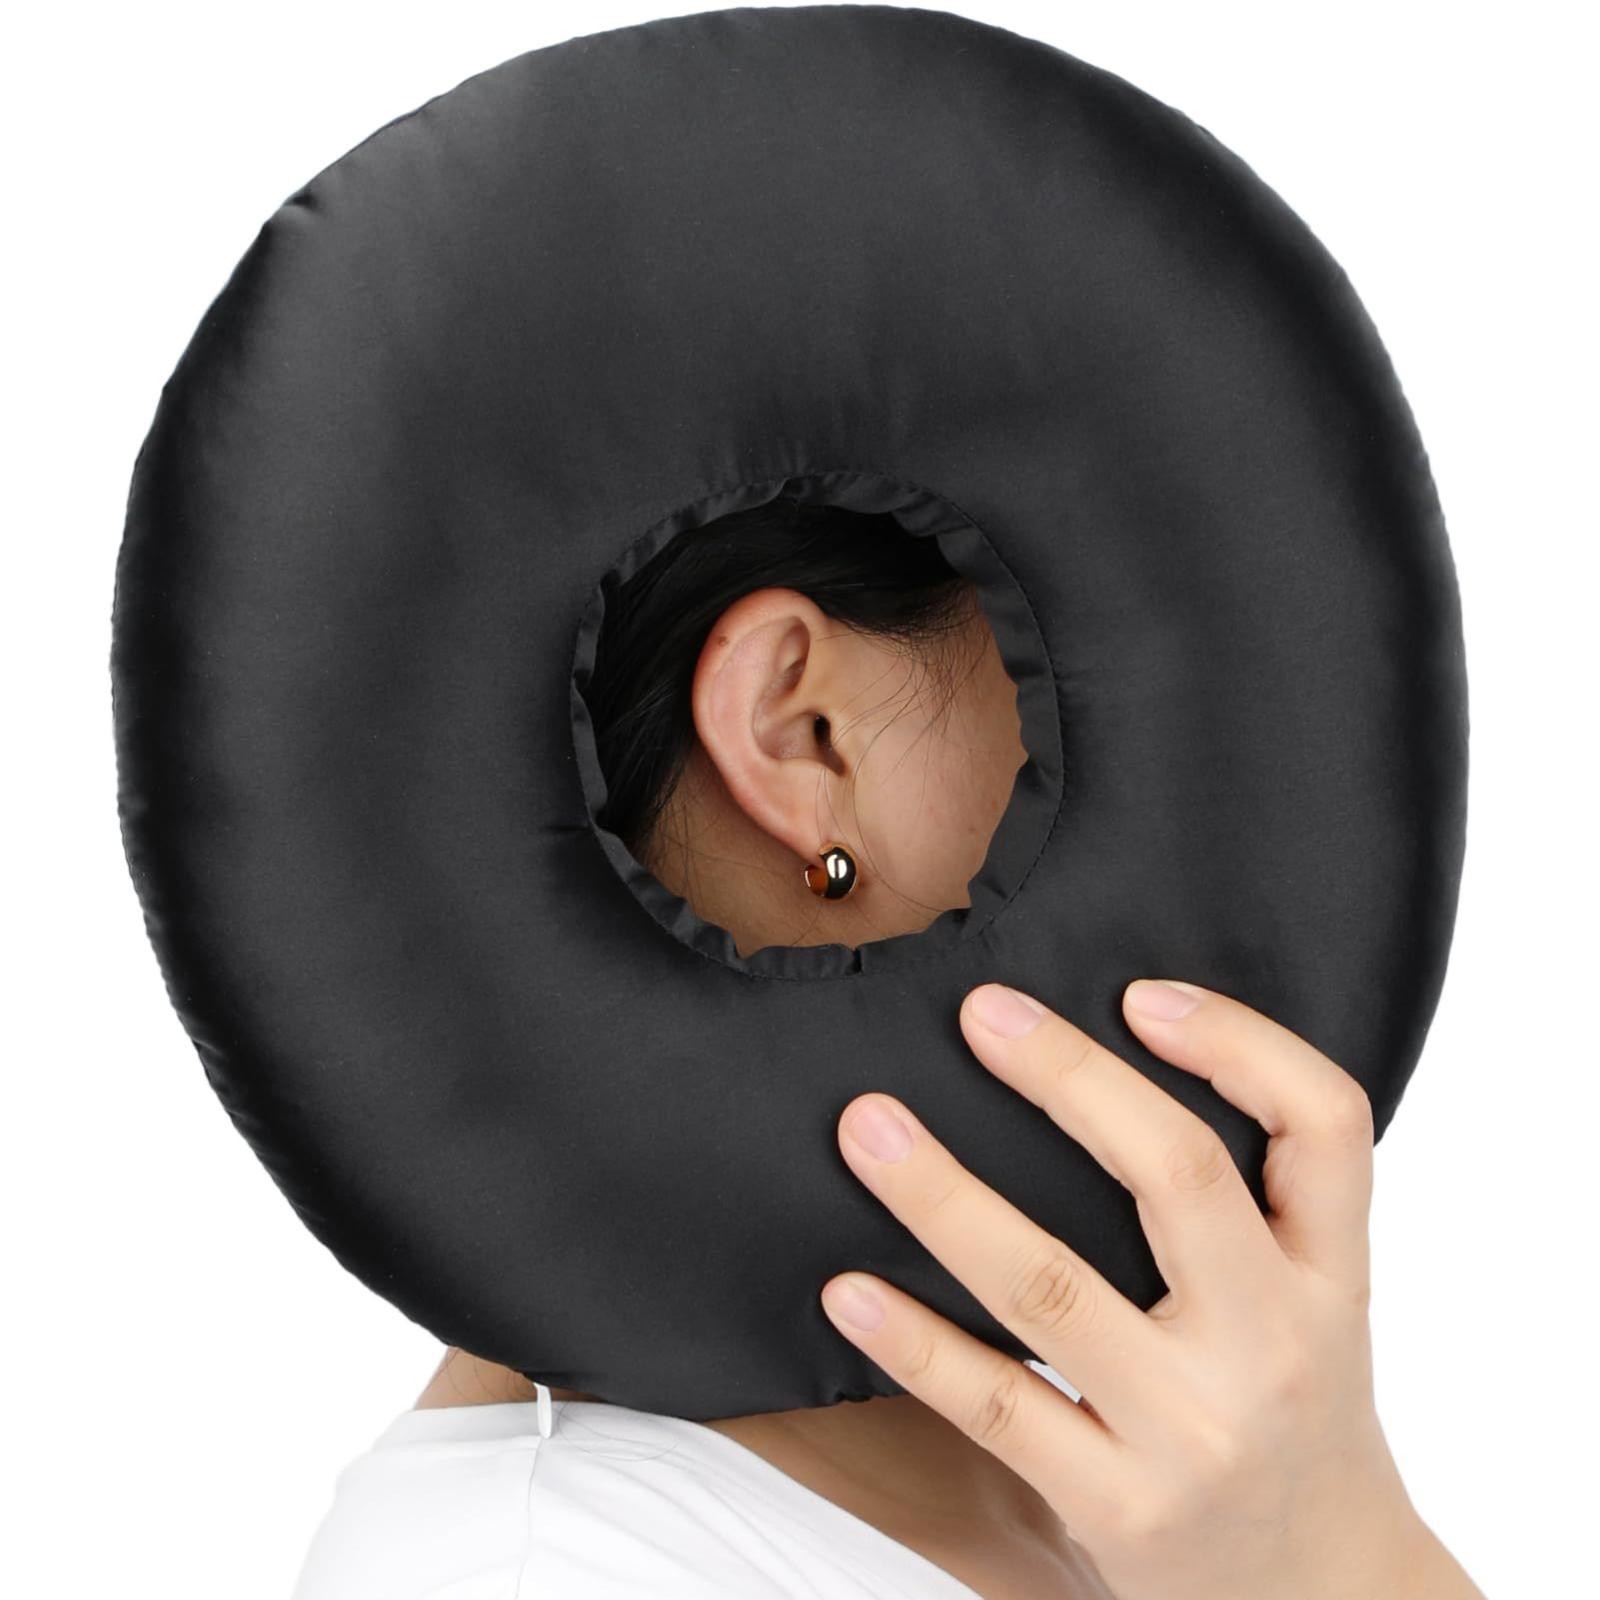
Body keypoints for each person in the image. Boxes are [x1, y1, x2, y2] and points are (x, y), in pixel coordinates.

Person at [291, 498, 1484, 1598]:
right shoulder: (541, 1571)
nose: (1216, 795)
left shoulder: (1155, 1492)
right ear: (801, 732)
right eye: (1090, 653)